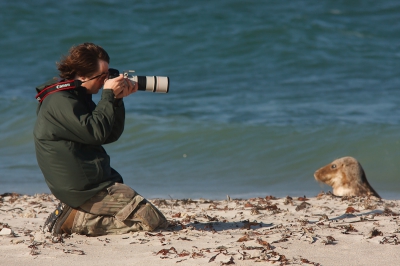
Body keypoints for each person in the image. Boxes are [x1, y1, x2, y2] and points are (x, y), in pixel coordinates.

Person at [34, 42, 168, 236]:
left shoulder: (76, 96)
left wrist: (117, 99)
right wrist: (108, 95)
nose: (106, 80)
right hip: (83, 189)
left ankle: (77, 212)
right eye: (102, 77)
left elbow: (108, 134)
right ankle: (75, 221)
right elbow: (96, 132)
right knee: (154, 221)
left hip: (91, 183)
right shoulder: (61, 102)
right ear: (82, 75)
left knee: (146, 215)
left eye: (108, 74)